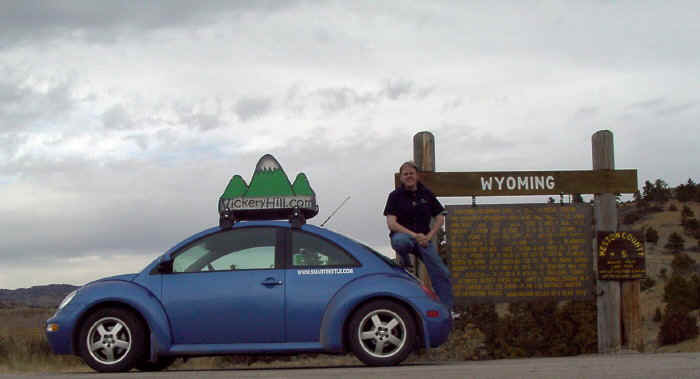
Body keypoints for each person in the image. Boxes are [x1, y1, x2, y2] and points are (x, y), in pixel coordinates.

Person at [383, 161, 455, 313]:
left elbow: (440, 216)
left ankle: (446, 310)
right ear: (401, 177)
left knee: (442, 272)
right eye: (405, 174)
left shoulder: (426, 194)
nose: (409, 176)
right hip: (404, 236)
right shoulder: (395, 196)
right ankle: (405, 261)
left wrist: (429, 236)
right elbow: (391, 223)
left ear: (417, 175)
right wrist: (415, 235)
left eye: (411, 173)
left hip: (424, 241)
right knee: (401, 242)